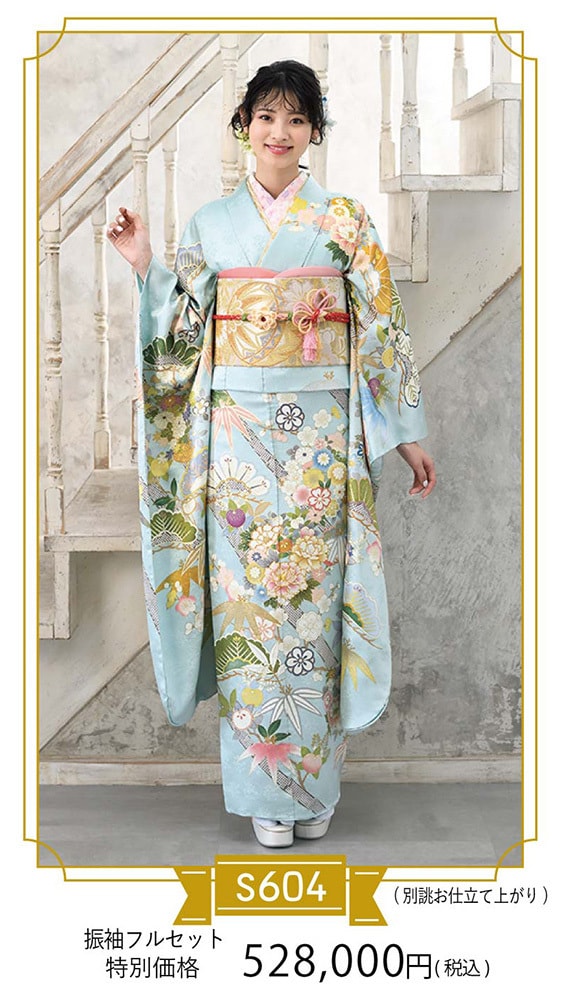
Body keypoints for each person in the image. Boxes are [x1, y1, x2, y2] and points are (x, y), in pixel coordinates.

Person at [107, 59, 436, 849]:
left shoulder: (344, 221)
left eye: (294, 118)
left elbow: (381, 327)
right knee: (250, 607)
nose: (278, 132)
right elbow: (183, 329)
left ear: (314, 130)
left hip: (323, 442)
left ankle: (312, 788)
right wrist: (148, 264)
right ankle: (265, 792)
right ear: (244, 128)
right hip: (237, 451)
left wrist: (404, 433)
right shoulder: (210, 224)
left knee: (315, 610)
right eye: (264, 117)